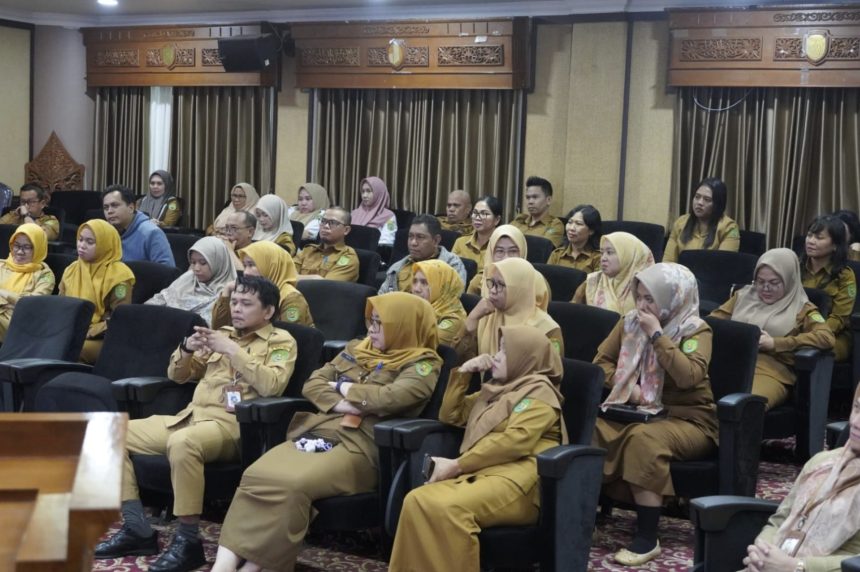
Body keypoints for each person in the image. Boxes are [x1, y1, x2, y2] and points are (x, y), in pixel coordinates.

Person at [210, 292, 442, 572]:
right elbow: (313, 383)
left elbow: (393, 398)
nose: (372, 329)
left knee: (293, 484)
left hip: (361, 446)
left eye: (381, 323)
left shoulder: (422, 363)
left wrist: (344, 387)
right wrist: (345, 404)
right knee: (255, 474)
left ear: (403, 325)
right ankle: (222, 567)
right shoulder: (358, 348)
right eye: (371, 321)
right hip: (318, 431)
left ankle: (251, 569)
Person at [94, 275, 297, 572]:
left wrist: (232, 350)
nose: (236, 308)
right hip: (189, 418)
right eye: (234, 302)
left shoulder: (281, 341)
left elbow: (272, 385)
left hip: (232, 427)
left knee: (183, 442)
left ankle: (188, 541)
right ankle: (136, 529)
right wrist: (187, 349)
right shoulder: (222, 334)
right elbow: (178, 377)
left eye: (246, 304)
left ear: (268, 311)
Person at [388, 325, 565, 572]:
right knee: (416, 500)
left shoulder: (540, 394)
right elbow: (450, 415)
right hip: (482, 472)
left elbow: (514, 442)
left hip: (518, 482)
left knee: (449, 508)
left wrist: (458, 465)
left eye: (505, 351)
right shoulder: (496, 390)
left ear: (525, 358)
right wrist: (464, 373)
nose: (497, 356)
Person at [593, 263, 716, 566]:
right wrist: (630, 388)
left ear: (673, 298)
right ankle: (587, 513)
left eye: (651, 299)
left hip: (687, 418)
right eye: (639, 297)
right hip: (637, 410)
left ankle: (648, 536)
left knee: (643, 440)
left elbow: (688, 376)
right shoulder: (629, 322)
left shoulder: (695, 330)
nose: (642, 306)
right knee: (591, 428)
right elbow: (601, 362)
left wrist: (658, 336)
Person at [741, 383, 860, 572]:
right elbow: (779, 520)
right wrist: (762, 554)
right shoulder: (822, 463)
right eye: (857, 408)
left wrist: (796, 567)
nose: (855, 422)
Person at [710, 248, 834, 410]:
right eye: (760, 282)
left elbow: (826, 338)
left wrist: (776, 343)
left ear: (789, 280)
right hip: (731, 362)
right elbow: (712, 322)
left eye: (774, 283)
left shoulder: (803, 308)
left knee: (743, 405)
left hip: (772, 371)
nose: (766, 288)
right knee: (698, 396)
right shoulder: (743, 296)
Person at [454, 257, 563, 361]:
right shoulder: (487, 314)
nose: (492, 290)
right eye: (492, 282)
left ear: (520, 290)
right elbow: (459, 361)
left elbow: (551, 370)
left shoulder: (546, 329)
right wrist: (472, 318)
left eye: (500, 285)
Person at [59, 219, 135, 364]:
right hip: (70, 329)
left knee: (69, 349)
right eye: (80, 239)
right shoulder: (71, 269)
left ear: (105, 245)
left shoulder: (119, 275)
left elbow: (120, 318)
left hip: (101, 337)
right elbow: (60, 305)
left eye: (90, 242)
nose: (82, 245)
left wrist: (88, 331)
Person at [211, 241, 313, 328]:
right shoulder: (246, 292)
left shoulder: (291, 298)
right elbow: (218, 329)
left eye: (251, 265)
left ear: (271, 266)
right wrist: (226, 292)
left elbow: (291, 337)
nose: (246, 272)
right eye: (245, 266)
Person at [145, 236, 237, 326]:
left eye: (203, 263)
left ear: (219, 262)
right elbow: (157, 301)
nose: (196, 268)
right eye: (193, 262)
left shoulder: (230, 292)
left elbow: (214, 326)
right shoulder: (189, 277)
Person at [800, 215, 856, 362]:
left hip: (833, 334)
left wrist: (811, 335)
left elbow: (838, 319)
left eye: (819, 238)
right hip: (796, 328)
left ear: (835, 245)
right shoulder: (796, 267)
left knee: (806, 352)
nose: (811, 241)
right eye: (809, 235)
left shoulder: (845, 275)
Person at [378, 214, 467, 295]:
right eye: (410, 236)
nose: (413, 243)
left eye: (420, 237)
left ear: (436, 240)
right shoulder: (397, 268)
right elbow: (381, 298)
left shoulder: (452, 265)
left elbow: (452, 298)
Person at [573, 232, 654, 314]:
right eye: (602, 253)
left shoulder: (648, 288)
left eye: (609, 252)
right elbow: (572, 313)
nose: (603, 258)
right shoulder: (592, 281)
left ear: (628, 255)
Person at [663, 177, 740, 263]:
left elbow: (722, 264)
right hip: (680, 272)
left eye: (707, 199)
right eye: (697, 197)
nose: (699, 202)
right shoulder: (681, 222)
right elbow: (668, 261)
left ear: (718, 204)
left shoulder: (729, 228)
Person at [0, 223, 55, 340]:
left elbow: (32, 304)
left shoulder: (45, 275)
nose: (20, 252)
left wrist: (3, 293)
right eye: (16, 245)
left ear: (38, 248)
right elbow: (22, 301)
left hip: (19, 323)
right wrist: (11, 302)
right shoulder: (1, 265)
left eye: (26, 247)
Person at [102, 185, 175, 267]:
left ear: (131, 208)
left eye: (115, 205)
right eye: (106, 207)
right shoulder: (105, 233)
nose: (109, 211)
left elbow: (167, 270)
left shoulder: (151, 233)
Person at [295, 206, 359, 282]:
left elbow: (325, 285)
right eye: (323, 221)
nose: (325, 226)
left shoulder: (348, 257)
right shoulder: (308, 250)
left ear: (346, 230)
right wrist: (315, 278)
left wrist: (297, 278)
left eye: (333, 223)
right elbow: (286, 274)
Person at [412, 259, 467, 347]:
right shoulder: (413, 309)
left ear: (441, 287)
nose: (416, 289)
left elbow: (422, 348)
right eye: (414, 281)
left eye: (424, 283)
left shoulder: (453, 320)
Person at [466, 223, 527, 295]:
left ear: (522, 252)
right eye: (500, 251)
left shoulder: (534, 284)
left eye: (513, 251)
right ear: (491, 254)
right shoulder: (478, 282)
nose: (506, 258)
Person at [452, 195, 502, 275]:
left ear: (497, 220)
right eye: (475, 213)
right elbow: (451, 272)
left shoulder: (502, 246)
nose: (477, 218)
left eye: (484, 214)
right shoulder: (460, 243)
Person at [509, 176, 565, 248]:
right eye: (528, 197)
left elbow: (543, 248)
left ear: (548, 200)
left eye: (535, 197)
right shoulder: (519, 221)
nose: (530, 202)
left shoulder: (554, 225)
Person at [547, 204, 602, 272]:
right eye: (570, 222)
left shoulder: (598, 257)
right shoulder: (557, 254)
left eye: (578, 224)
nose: (571, 228)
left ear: (591, 230)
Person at [351, 176, 397, 246]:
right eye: (363, 191)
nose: (364, 195)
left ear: (379, 193)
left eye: (368, 191)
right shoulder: (354, 213)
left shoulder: (389, 216)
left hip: (371, 251)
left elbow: (386, 243)